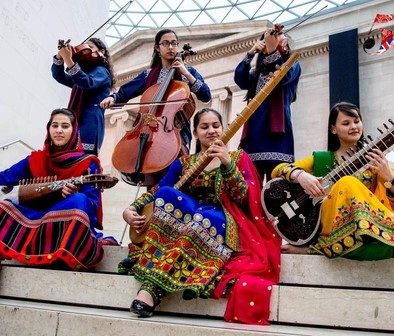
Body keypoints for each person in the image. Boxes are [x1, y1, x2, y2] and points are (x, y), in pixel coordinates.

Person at [120, 108, 281, 325]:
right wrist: (131, 209)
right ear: (195, 133)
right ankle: (152, 286)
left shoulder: (237, 158)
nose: (212, 131)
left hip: (221, 217)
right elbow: (159, 190)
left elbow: (244, 198)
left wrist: (227, 165)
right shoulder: (184, 163)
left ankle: (151, 289)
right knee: (170, 195)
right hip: (186, 216)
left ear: (223, 128)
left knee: (202, 219)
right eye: (204, 127)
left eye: (216, 125)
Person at [0, 108, 117, 298]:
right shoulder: (36, 160)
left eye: (65, 126)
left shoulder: (87, 163)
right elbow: (4, 177)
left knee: (79, 200)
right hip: (33, 220)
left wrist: (69, 196)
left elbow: (92, 205)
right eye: (54, 125)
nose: (59, 130)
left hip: (63, 220)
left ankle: (61, 256)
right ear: (48, 129)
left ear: (74, 132)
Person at [272, 102, 394, 259]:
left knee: (347, 182)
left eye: (357, 121)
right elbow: (277, 171)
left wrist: (388, 176)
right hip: (324, 226)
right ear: (333, 129)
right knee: (347, 182)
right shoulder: (320, 159)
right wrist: (301, 175)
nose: (354, 126)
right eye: (346, 123)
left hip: (364, 233)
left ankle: (320, 249)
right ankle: (322, 246)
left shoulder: (374, 162)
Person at [100, 28, 211, 151]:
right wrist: (112, 97)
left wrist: (185, 72)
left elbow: (206, 95)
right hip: (148, 128)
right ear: (157, 48)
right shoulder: (148, 75)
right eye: (165, 43)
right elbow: (125, 92)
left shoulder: (189, 72)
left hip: (175, 131)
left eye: (174, 43)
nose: (170, 47)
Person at [234, 27, 301, 183]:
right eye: (272, 41)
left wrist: (272, 52)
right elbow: (240, 79)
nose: (278, 43)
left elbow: (282, 77)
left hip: (277, 137)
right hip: (253, 137)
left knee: (277, 188)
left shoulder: (293, 65)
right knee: (250, 186)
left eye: (280, 40)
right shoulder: (256, 74)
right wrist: (250, 53)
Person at [52, 37, 115, 155]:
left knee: (81, 160)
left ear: (102, 52)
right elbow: (59, 76)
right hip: (77, 120)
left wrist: (69, 59)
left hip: (89, 122)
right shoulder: (83, 74)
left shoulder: (102, 71)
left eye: (90, 47)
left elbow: (87, 82)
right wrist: (60, 56)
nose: (85, 51)